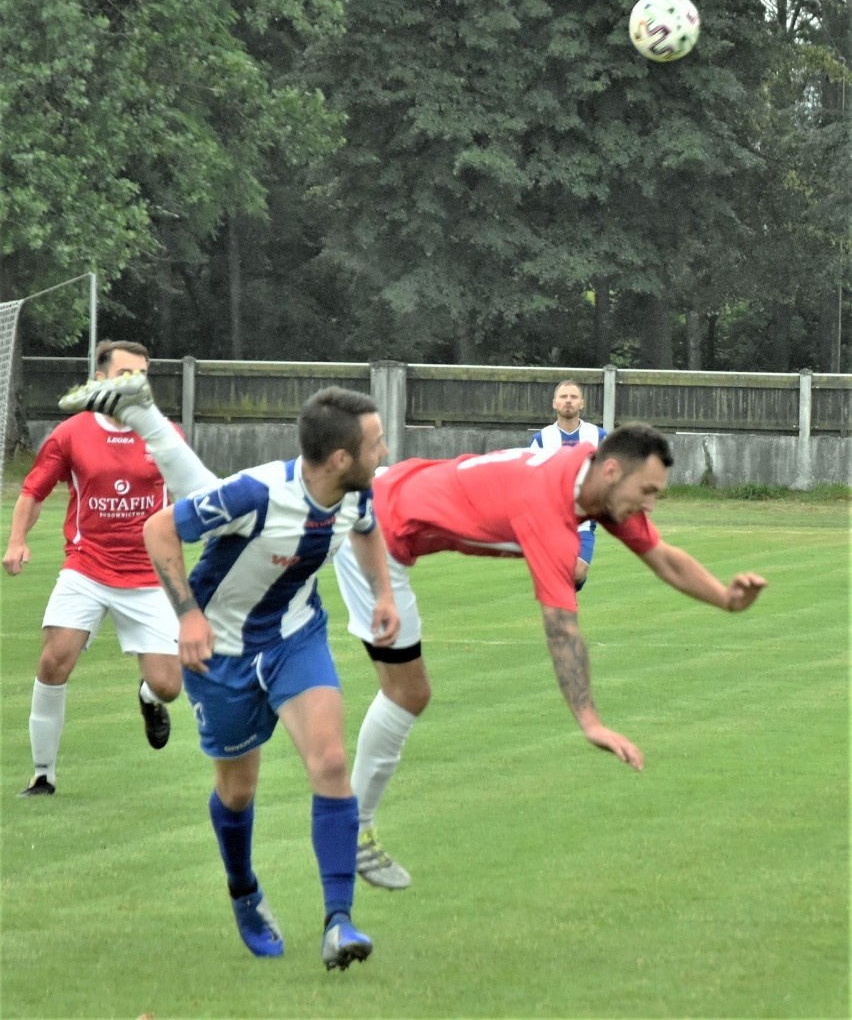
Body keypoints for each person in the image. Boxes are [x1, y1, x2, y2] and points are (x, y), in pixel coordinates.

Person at [57, 375, 767, 902]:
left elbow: (661, 553)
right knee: (403, 682)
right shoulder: (548, 508)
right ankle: (358, 830)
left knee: (237, 502)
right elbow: (561, 625)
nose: (651, 503)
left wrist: (723, 598)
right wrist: (588, 719)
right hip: (381, 538)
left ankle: (145, 413)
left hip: (391, 502)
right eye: (649, 490)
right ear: (612, 470)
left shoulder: (591, 487)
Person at [58, 375, 400, 968]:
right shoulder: (257, 493)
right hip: (220, 654)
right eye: (376, 445)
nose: (385, 454)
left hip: (296, 638)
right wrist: (188, 617)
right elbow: (158, 529)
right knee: (237, 792)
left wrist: (383, 594)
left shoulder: (355, 491)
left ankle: (339, 922)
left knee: (330, 761)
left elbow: (367, 531)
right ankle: (243, 890)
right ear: (341, 456)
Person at [3, 340, 183, 797]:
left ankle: (147, 697)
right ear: (99, 379)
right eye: (126, 373)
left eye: (142, 373)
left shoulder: (165, 434)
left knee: (168, 687)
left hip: (147, 576)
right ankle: (43, 775)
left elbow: (190, 495)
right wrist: (17, 540)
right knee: (52, 662)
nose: (136, 382)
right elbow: (33, 491)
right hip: (87, 568)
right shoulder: (72, 433)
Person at [529, 379, 607, 590]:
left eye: (573, 397)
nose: (568, 401)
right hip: (552, 520)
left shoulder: (598, 436)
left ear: (582, 403)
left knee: (577, 573)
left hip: (583, 520)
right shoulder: (541, 439)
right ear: (554, 403)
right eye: (563, 397)